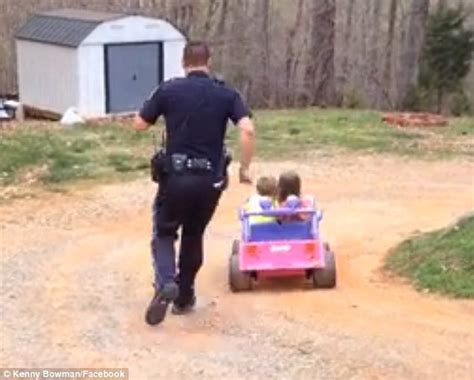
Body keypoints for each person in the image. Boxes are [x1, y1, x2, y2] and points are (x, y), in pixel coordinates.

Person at [134, 41, 255, 325]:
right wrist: (245, 168)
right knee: (193, 234)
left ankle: (166, 281)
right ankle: (185, 296)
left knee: (164, 232)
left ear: (183, 62)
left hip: (175, 177)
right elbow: (247, 130)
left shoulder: (168, 89)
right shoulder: (226, 93)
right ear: (208, 61)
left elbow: (140, 123)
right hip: (210, 179)